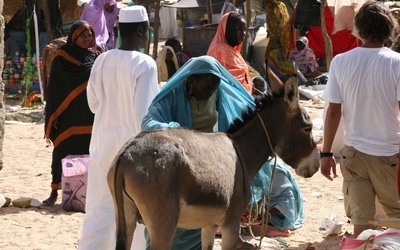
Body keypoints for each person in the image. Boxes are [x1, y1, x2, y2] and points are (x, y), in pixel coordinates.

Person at [78, 6, 159, 249]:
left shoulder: (102, 60)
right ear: (141, 30)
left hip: (102, 149)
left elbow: (93, 104)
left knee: (99, 211)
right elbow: (146, 116)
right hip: (132, 155)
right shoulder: (145, 64)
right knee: (133, 217)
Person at [320, 1, 400, 238]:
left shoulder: (341, 62)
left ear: (359, 29)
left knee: (361, 222)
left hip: (354, 154)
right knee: (396, 217)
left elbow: (333, 111)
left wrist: (325, 154)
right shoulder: (396, 64)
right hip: (390, 155)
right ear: (389, 28)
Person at [43, 20, 96, 206]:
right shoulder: (63, 56)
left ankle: (87, 193)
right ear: (74, 36)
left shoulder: (94, 56)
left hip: (90, 114)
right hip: (68, 116)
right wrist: (54, 116)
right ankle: (54, 191)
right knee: (62, 152)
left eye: (89, 35)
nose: (86, 38)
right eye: (82, 35)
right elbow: (56, 87)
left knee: (89, 154)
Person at [207, 11, 253, 93]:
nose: (243, 34)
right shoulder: (221, 51)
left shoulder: (231, 50)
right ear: (228, 30)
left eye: (244, 30)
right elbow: (227, 85)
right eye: (239, 29)